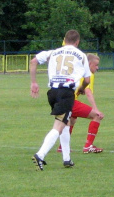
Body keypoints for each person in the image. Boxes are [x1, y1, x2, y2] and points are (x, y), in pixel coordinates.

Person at [30, 30, 91, 170]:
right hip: (66, 92)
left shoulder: (53, 52)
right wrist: (81, 88)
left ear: (65, 40)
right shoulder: (81, 56)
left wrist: (34, 82)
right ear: (77, 42)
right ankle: (40, 154)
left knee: (65, 122)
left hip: (52, 92)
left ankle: (67, 158)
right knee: (58, 126)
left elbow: (33, 61)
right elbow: (87, 80)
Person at [57, 53, 105, 154]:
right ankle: (88, 146)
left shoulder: (77, 69)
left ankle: (62, 147)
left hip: (61, 99)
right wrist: (96, 109)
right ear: (90, 63)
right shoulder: (88, 74)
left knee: (72, 119)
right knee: (97, 116)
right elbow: (88, 92)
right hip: (70, 101)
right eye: (96, 65)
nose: (97, 68)